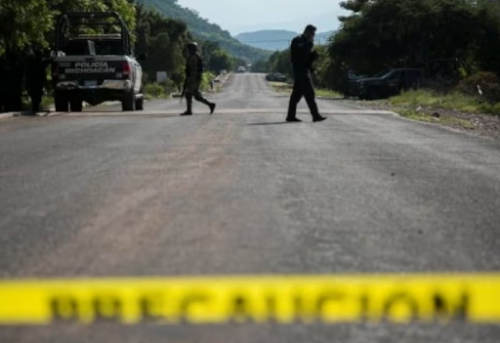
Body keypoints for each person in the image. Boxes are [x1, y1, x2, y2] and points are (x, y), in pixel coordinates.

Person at [286, 25, 326, 123]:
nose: (313, 35)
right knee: (309, 92)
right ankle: (315, 115)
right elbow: (298, 55)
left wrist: (313, 57)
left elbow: (307, 59)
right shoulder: (297, 41)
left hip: (304, 69)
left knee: (296, 95)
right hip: (299, 69)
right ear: (307, 32)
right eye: (312, 33)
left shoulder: (309, 43)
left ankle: (291, 116)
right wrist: (307, 47)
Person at [181, 42, 216, 116]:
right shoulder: (194, 56)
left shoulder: (194, 57)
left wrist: (189, 79)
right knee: (196, 96)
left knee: (188, 94)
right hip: (195, 78)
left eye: (189, 49)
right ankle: (210, 105)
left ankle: (189, 110)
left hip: (194, 78)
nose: (188, 50)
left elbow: (193, 69)